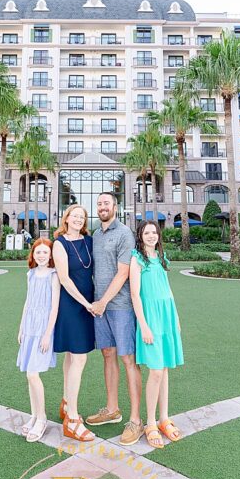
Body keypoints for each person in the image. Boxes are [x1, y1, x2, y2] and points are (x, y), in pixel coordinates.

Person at [85, 192, 143, 447]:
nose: (102, 207)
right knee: (107, 354)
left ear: (115, 207)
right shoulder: (96, 235)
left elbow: (123, 273)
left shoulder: (124, 233)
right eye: (98, 204)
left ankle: (136, 421)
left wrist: (103, 302)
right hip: (100, 308)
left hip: (119, 306)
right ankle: (112, 409)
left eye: (106, 203)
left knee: (128, 358)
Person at [129, 219, 183, 450]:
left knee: (165, 368)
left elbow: (168, 289)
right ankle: (149, 423)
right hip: (150, 318)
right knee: (156, 371)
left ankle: (163, 418)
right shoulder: (137, 259)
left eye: (154, 232)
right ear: (140, 236)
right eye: (146, 232)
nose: (151, 236)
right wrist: (144, 325)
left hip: (166, 316)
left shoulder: (161, 258)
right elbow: (135, 295)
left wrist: (176, 317)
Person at [52, 204, 97, 443]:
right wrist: (85, 303)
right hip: (71, 306)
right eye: (75, 216)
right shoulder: (60, 243)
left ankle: (66, 402)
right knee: (78, 357)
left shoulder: (89, 241)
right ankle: (72, 419)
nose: (78, 219)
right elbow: (64, 279)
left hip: (89, 303)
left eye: (82, 217)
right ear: (66, 218)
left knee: (72, 357)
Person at [17, 237, 61, 443]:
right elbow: (27, 302)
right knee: (28, 375)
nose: (41, 255)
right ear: (33, 254)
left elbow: (54, 307)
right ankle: (34, 415)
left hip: (44, 329)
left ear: (51, 255)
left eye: (45, 252)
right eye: (38, 252)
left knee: (34, 374)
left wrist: (47, 334)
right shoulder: (30, 274)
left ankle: (42, 418)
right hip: (30, 328)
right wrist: (21, 328)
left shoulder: (54, 275)